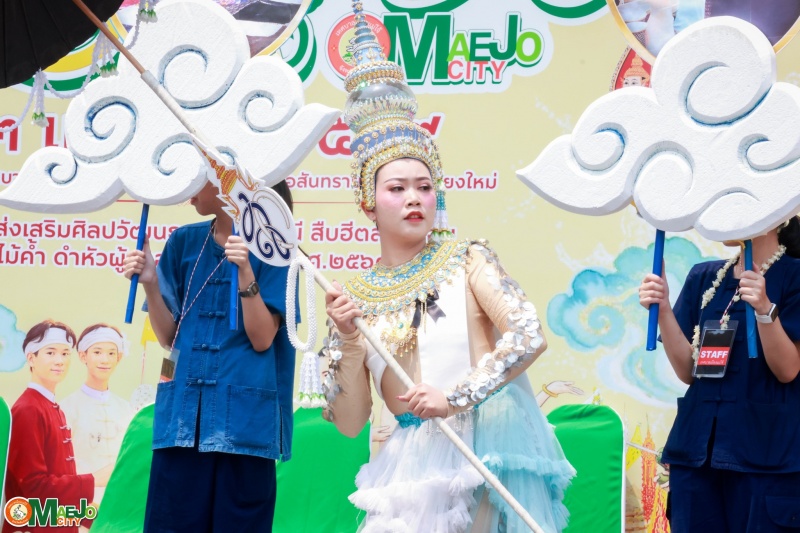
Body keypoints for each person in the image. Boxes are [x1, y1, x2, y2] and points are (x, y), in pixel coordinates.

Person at [319, 6, 574, 532]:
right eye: (396, 188)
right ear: (368, 202)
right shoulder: (354, 300)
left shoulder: (466, 259)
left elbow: (528, 334)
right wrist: (346, 338)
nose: (414, 198)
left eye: (424, 186)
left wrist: (454, 397)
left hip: (478, 448)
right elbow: (349, 422)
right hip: (407, 465)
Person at [122, 174, 297, 532]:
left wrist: (245, 272)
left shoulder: (276, 251)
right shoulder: (184, 241)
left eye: (199, 178)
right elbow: (169, 338)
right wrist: (151, 282)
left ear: (229, 182)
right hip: (181, 422)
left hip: (244, 428)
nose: (189, 192)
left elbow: (263, 339)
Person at [638, 217, 800, 531]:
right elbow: (688, 372)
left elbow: (788, 369)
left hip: (767, 457)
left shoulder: (794, 275)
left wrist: (764, 310)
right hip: (696, 454)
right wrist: (664, 309)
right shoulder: (704, 277)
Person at [3, 320, 112, 533]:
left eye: (65, 354)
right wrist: (94, 480)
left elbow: (57, 491)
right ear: (31, 358)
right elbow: (34, 489)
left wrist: (98, 516)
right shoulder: (28, 409)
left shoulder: (52, 407)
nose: (59, 361)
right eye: (50, 353)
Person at [60, 324, 135, 507]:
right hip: (81, 504)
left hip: (120, 504)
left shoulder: (127, 409)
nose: (105, 360)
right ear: (83, 356)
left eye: (111, 353)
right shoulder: (66, 408)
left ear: (118, 358)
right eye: (97, 352)